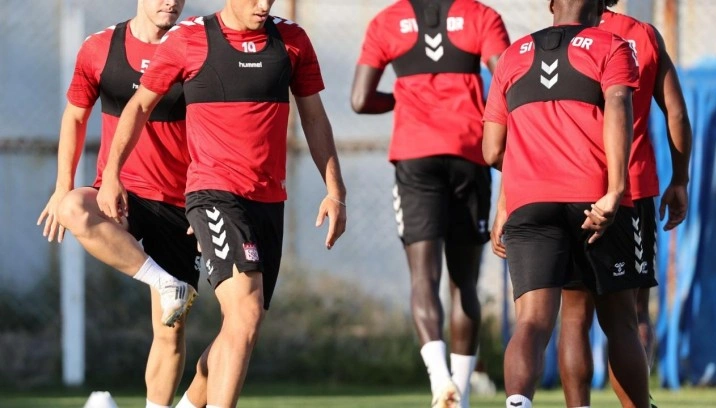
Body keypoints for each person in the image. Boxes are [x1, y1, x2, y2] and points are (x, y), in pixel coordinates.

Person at [95, 1, 347, 406]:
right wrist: (112, 174)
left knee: (243, 325)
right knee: (245, 315)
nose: (264, 5)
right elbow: (139, 106)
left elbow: (314, 117)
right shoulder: (189, 38)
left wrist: (335, 191)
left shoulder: (292, 40)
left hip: (269, 201)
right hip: (213, 192)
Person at [482, 0, 650, 406]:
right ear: (602, 5)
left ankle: (518, 403)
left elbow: (492, 150)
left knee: (532, 323)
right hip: (595, 202)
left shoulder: (511, 57)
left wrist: (507, 202)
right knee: (621, 324)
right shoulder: (612, 46)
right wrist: (615, 189)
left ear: (551, 4)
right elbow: (618, 106)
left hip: (529, 204)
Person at [36, 1, 198, 407]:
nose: (171, 1)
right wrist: (62, 186)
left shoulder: (198, 46)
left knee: (170, 330)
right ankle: (164, 281)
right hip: (120, 194)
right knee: (72, 207)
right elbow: (75, 117)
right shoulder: (100, 48)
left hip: (180, 203)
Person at [351, 1, 509, 407]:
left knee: (424, 278)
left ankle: (440, 382)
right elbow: (509, 80)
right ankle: (463, 393)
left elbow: (359, 99)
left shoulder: (386, 22)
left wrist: (402, 98)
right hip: (469, 154)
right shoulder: (481, 16)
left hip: (415, 155)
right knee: (464, 283)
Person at [556, 1, 693, 407]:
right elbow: (676, 113)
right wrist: (680, 179)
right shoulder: (642, 35)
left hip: (569, 187)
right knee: (632, 314)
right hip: (631, 190)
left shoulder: (554, 37)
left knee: (574, 314)